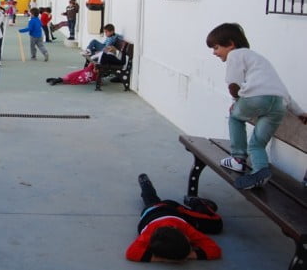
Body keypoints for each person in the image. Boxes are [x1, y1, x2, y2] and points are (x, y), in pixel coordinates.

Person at [206, 23, 307, 189]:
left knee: (235, 117)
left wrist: (235, 103)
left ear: (230, 44)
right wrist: (300, 113)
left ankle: (237, 158)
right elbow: (284, 94)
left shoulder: (235, 55)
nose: (214, 53)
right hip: (278, 105)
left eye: (216, 47)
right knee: (257, 143)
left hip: (256, 100)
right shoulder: (259, 60)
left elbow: (234, 83)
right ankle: (260, 171)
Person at [126, 174, 222, 262]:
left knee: (216, 223)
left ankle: (194, 201)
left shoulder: (186, 228)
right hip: (151, 210)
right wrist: (165, 258)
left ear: (185, 235)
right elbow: (131, 253)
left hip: (170, 208)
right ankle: (145, 185)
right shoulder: (150, 236)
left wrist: (191, 255)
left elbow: (215, 250)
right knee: (150, 199)